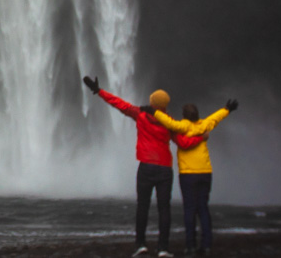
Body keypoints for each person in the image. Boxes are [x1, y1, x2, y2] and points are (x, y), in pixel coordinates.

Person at [83, 76, 205, 258]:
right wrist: (201, 137)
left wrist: (99, 91)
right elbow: (183, 143)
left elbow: (119, 104)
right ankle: (163, 248)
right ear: (165, 105)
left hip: (146, 167)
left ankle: (140, 245)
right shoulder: (170, 122)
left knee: (143, 207)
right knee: (164, 208)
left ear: (152, 102)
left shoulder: (140, 114)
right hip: (164, 169)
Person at [151, 100, 239, 256]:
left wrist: (154, 112)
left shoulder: (183, 127)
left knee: (189, 210)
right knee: (203, 209)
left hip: (188, 174)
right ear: (197, 115)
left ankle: (190, 246)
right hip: (205, 172)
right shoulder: (204, 125)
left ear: (184, 116)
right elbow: (215, 118)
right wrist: (227, 109)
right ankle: (206, 245)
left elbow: (169, 123)